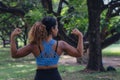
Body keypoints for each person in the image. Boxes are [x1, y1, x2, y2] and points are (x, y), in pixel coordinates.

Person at [10, 16, 83, 80]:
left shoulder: (34, 45)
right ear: (52, 29)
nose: (57, 29)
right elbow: (79, 53)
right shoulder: (61, 44)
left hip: (40, 76)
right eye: (57, 27)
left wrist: (12, 37)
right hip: (55, 76)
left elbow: (15, 54)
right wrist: (80, 36)